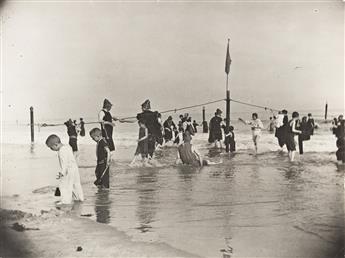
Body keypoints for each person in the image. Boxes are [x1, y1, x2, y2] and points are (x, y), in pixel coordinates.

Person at [45, 135, 84, 204]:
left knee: (65, 186)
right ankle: (79, 198)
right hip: (74, 169)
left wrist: (62, 173)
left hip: (68, 170)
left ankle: (65, 201)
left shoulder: (61, 151)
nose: (51, 150)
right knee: (76, 184)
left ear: (56, 145)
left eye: (51, 148)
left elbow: (64, 163)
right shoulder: (67, 147)